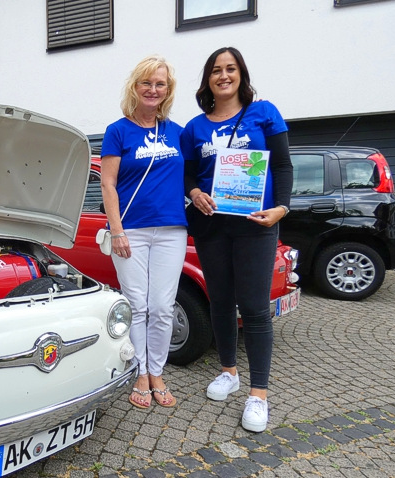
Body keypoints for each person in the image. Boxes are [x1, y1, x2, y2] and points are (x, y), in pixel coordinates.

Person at [181, 47, 293, 431]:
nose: (223, 75)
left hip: (255, 225)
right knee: (221, 302)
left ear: (241, 74)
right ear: (208, 79)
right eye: (216, 70)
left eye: (230, 69)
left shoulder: (264, 113)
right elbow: (189, 175)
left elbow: (282, 164)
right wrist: (195, 193)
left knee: (256, 308)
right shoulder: (195, 127)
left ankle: (258, 394)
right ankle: (229, 372)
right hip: (212, 227)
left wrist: (282, 207)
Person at [101, 55, 188, 409]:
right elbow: (107, 184)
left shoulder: (179, 132)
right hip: (131, 232)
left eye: (160, 84)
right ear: (135, 87)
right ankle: (139, 371)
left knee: (163, 306)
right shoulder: (118, 130)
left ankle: (157, 371)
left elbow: (200, 175)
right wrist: (117, 230)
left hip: (171, 230)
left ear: (168, 90)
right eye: (146, 83)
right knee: (137, 305)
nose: (153, 89)